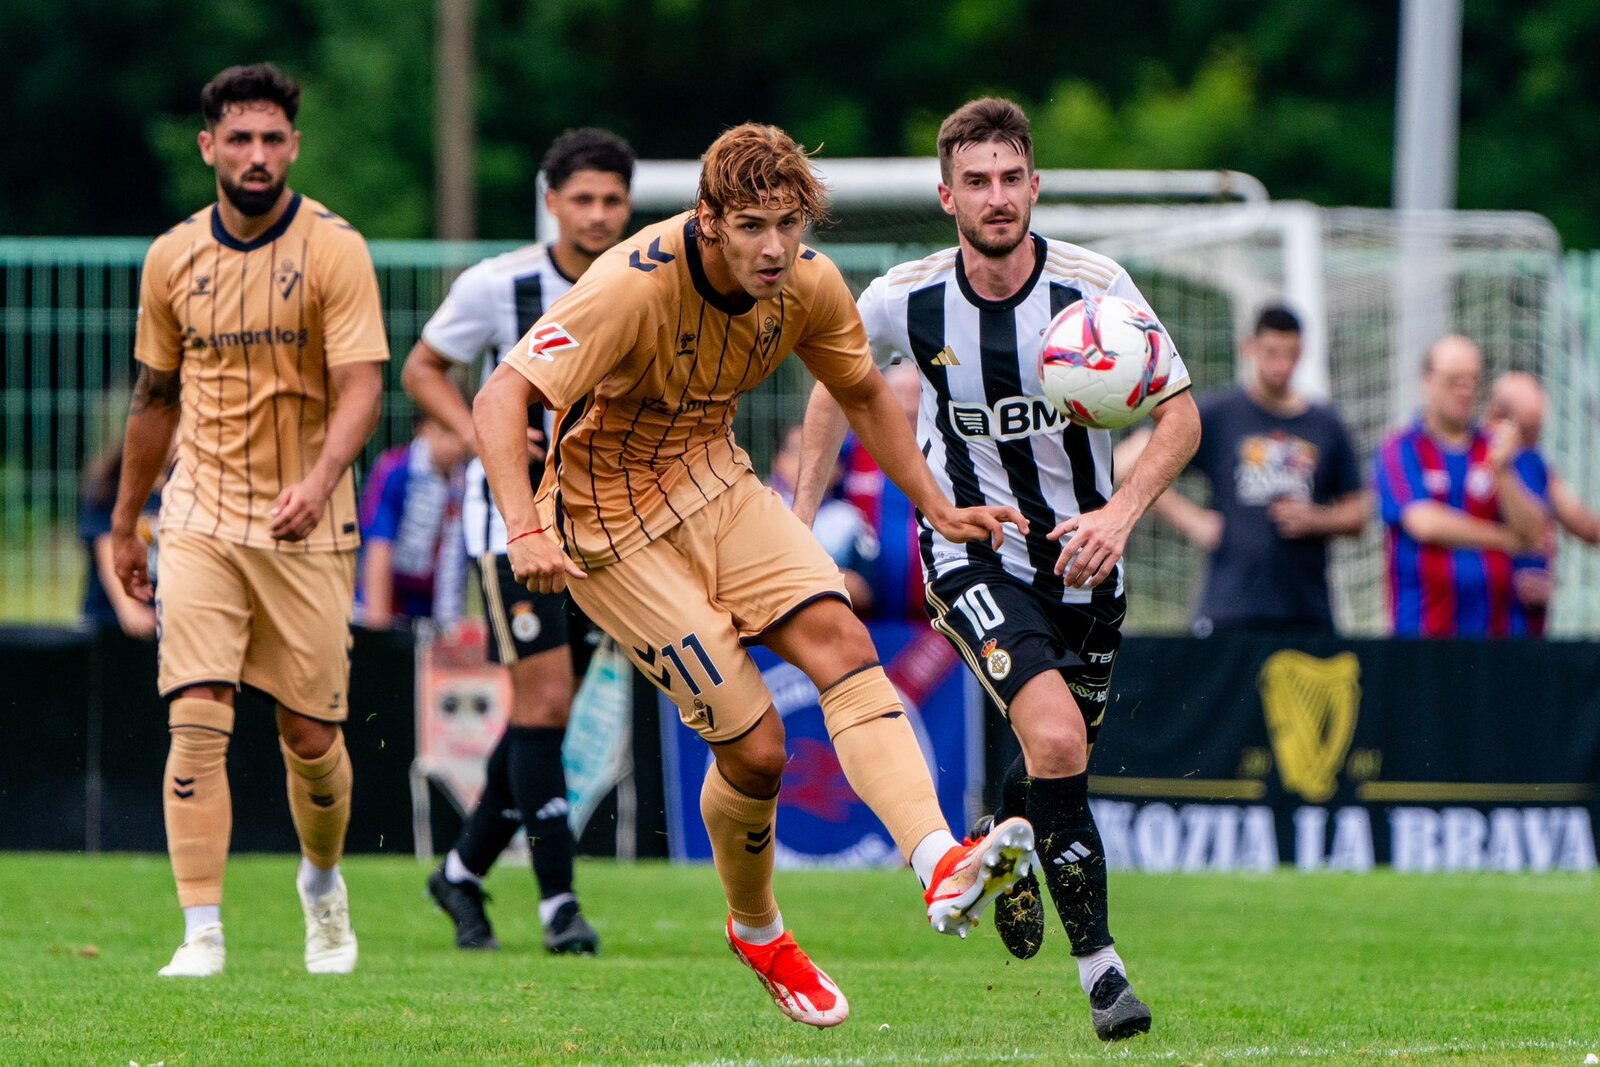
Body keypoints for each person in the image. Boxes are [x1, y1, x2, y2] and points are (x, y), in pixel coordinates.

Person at [473, 121, 1037, 1029]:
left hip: (715, 480)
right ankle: (759, 928)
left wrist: (934, 504)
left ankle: (938, 859)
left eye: (788, 223)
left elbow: (860, 392)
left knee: (844, 643)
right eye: (751, 227)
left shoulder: (809, 283)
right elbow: (500, 395)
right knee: (759, 747)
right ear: (709, 221)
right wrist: (523, 526)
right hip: (607, 525)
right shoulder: (628, 285)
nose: (774, 248)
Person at [793, 97, 1201, 1042]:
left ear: (1036, 185)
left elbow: (1180, 415)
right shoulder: (906, 297)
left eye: (1013, 178)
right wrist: (799, 525)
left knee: (1060, 759)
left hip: (1087, 563)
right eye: (977, 182)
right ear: (946, 196)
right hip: (971, 553)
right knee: (1057, 740)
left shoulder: (1097, 288)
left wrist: (1119, 513)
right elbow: (835, 388)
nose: (998, 197)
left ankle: (1004, 843)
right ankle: (1104, 975)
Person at [110, 63, 387, 977]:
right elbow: (154, 398)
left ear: (294, 146)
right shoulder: (170, 257)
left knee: (310, 742)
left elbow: (362, 388)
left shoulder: (336, 249)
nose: (257, 154)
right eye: (240, 139)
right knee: (197, 715)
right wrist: (127, 523)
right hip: (199, 514)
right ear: (209, 148)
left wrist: (319, 479)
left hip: (310, 521)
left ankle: (321, 882)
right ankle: (201, 933)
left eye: (273, 139)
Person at [401, 128, 635, 953]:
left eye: (612, 199)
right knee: (540, 702)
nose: (599, 214)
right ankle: (558, 904)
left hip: (601, 523)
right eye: (584, 199)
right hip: (510, 521)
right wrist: (478, 433)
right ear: (552, 203)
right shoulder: (503, 284)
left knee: (549, 711)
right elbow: (424, 367)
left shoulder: (640, 284)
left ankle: (461, 873)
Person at [1122, 306, 1367, 635]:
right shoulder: (1220, 414)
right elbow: (1135, 457)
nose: (1281, 364)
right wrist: (1193, 520)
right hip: (1230, 607)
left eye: (1290, 354)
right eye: (1271, 353)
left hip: (1307, 610)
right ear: (1249, 348)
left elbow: (1359, 512)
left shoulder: (1326, 424)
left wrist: (1316, 519)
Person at [1374, 336, 1545, 637]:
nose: (1465, 390)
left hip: (1502, 634)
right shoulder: (1400, 449)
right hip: (1424, 634)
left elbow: (1533, 530)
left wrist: (1503, 472)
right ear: (1427, 382)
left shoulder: (1500, 448)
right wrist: (1509, 541)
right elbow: (1424, 522)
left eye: (1472, 381)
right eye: (1454, 380)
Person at [1486, 371, 1600, 634]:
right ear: (1497, 417)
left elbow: (1585, 526)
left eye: (1537, 430)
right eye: (1527, 430)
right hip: (1477, 621)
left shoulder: (1535, 462)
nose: (1533, 440)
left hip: (1527, 622)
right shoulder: (1473, 458)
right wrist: (1508, 573)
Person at [356, 416, 469, 630]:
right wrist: (378, 627)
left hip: (431, 604)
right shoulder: (395, 469)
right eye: (444, 432)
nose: (452, 445)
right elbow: (379, 546)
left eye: (459, 435)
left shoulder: (466, 480)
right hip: (387, 594)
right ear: (422, 430)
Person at [767, 423, 878, 614]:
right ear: (778, 461)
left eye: (823, 453)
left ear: (838, 469)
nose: (809, 462)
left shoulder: (850, 519)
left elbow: (863, 591)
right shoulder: (762, 512)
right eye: (798, 451)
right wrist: (830, 578)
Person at [80, 441, 160, 639]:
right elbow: (108, 552)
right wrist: (129, 609)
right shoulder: (110, 488)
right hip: (109, 621)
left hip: (171, 619)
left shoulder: (194, 491)